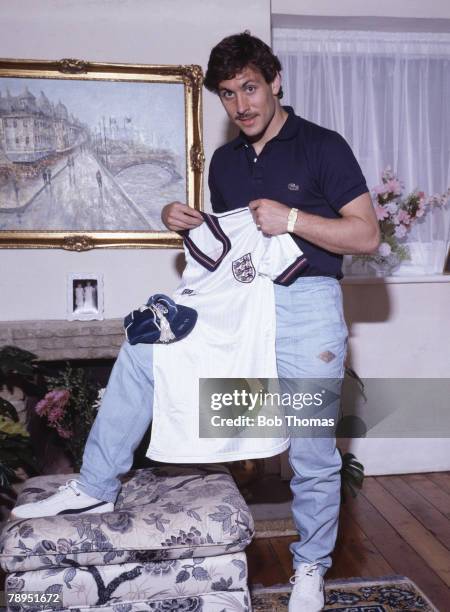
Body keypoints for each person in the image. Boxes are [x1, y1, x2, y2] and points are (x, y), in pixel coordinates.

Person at [12, 33, 380, 612]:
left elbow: (366, 234)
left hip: (306, 307)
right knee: (144, 350)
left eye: (251, 88)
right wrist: (181, 220)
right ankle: (95, 486)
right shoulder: (227, 162)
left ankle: (309, 567)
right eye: (229, 95)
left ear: (275, 80)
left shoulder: (322, 146)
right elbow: (228, 244)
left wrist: (295, 220)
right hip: (235, 303)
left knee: (310, 450)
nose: (242, 106)